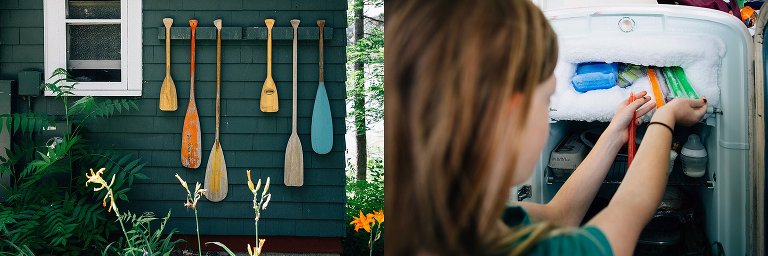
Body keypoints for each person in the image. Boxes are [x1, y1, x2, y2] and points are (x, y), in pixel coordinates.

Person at [385, 0, 709, 255]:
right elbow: (631, 207)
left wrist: (615, 130)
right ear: (513, 114)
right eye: (546, 99)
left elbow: (560, 215)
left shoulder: (457, 220)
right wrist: (665, 120)